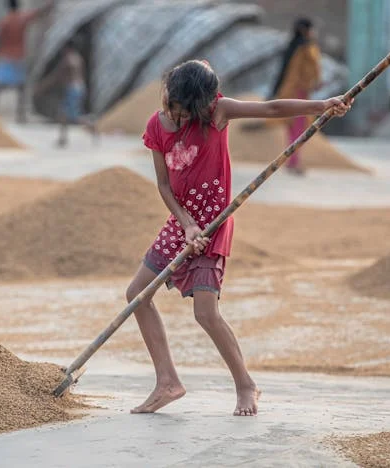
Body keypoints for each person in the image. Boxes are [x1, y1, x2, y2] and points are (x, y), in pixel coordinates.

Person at [127, 60, 350, 416]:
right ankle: (167, 382)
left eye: (183, 111)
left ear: (202, 104)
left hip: (215, 224)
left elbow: (273, 108)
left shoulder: (218, 113)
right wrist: (185, 225)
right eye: (171, 105)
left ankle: (246, 384)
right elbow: (165, 185)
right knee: (137, 296)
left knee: (206, 312)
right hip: (182, 224)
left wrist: (321, 105)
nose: (175, 115)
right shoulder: (157, 124)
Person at [0, 0, 54, 123]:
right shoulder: (22, 19)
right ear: (18, 6)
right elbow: (39, 13)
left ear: (7, 7)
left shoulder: (4, 21)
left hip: (5, 56)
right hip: (19, 57)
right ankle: (20, 114)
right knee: (21, 87)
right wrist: (50, 4)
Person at [271, 18, 322, 175]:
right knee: (299, 129)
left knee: (293, 129)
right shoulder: (305, 48)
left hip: (290, 91)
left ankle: (292, 161)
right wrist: (313, 83)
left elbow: (283, 72)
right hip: (299, 92)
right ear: (306, 30)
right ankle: (294, 163)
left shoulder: (293, 46)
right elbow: (307, 71)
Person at [33, 38, 97, 147]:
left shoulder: (68, 59)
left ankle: (91, 127)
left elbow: (57, 75)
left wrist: (42, 86)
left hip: (72, 89)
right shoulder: (78, 58)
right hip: (79, 88)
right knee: (64, 114)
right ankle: (63, 138)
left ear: (67, 48)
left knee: (74, 116)